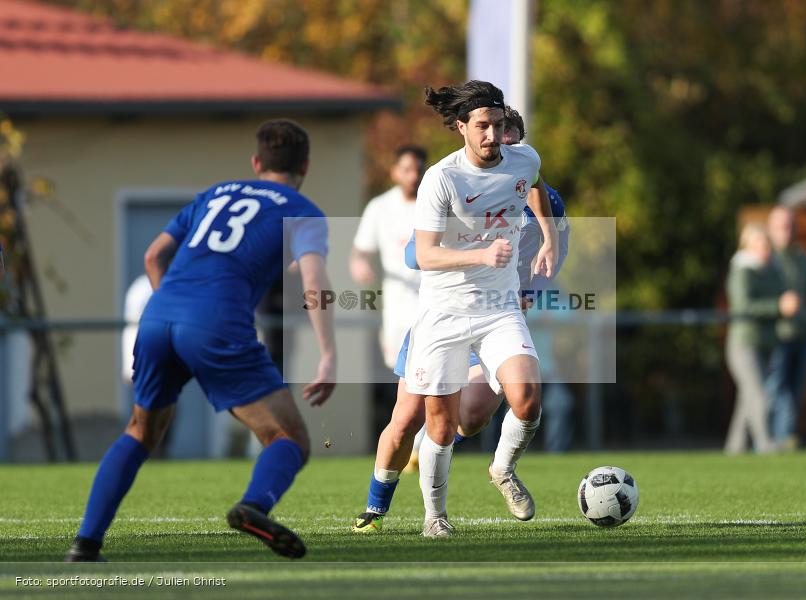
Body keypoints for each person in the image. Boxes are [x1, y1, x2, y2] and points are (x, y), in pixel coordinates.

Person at [65, 119, 336, 562]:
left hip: (158, 314)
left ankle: (85, 544)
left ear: (256, 163)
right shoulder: (303, 210)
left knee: (140, 431)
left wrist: (174, 310)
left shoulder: (215, 193)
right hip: (216, 321)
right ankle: (253, 506)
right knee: (289, 437)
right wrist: (328, 355)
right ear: (304, 166)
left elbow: (154, 255)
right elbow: (314, 279)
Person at [352, 106, 570, 534]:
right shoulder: (450, 181)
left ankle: (501, 470)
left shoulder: (534, 185)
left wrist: (532, 284)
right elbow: (416, 255)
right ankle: (376, 508)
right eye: (490, 133)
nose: (498, 145)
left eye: (507, 136)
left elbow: (551, 249)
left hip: (498, 313)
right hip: (443, 314)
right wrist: (476, 251)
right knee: (409, 419)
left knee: (477, 415)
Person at [350, 146, 427, 369]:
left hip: (434, 306)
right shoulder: (380, 207)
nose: (413, 176)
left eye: (418, 170)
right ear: (395, 172)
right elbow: (360, 250)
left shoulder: (436, 203)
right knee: (401, 373)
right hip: (397, 310)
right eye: (407, 170)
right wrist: (359, 263)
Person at [724, 223, 798, 454]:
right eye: (758, 244)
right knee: (758, 395)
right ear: (747, 246)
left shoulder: (773, 269)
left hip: (766, 344)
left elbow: (783, 294)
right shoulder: (742, 270)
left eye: (766, 243)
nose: (764, 248)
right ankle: (765, 444)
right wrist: (778, 306)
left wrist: (790, 302)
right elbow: (743, 306)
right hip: (744, 344)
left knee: (747, 401)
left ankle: (734, 449)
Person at [765, 206, 806, 449]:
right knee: (778, 393)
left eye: (790, 226)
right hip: (775, 338)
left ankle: (783, 441)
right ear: (771, 229)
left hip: (804, 336)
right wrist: (778, 306)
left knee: (795, 394)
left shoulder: (803, 258)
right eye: (781, 227)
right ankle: (777, 443)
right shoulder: (766, 258)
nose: (787, 232)